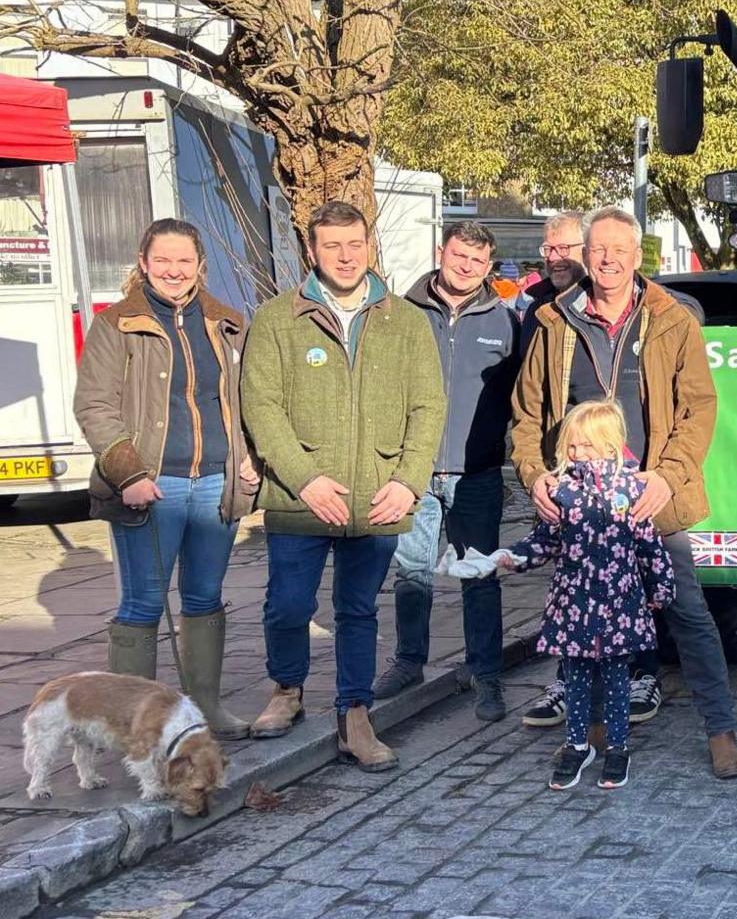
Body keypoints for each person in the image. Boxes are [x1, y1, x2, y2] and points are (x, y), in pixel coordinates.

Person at [511, 206, 737, 778]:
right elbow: (526, 416)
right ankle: (591, 734)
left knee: (688, 615)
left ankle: (721, 731)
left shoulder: (671, 318)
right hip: (582, 505)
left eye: (620, 249)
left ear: (637, 255)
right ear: (584, 257)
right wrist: (536, 476)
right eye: (598, 251)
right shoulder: (552, 322)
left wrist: (665, 476)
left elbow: (699, 408)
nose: (609, 260)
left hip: (652, 499)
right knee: (585, 622)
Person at [242, 201, 446, 772]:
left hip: (377, 497)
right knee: (287, 605)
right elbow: (261, 406)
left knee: (357, 610)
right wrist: (304, 480)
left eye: (354, 244)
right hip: (299, 497)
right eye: (332, 245)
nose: (345, 255)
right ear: (311, 251)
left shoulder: (404, 321)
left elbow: (428, 406)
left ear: (369, 245)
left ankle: (355, 715)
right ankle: (286, 690)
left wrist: (408, 481)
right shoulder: (278, 318)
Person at [72, 218, 260, 740]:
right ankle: (136, 724)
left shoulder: (229, 324)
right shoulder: (116, 325)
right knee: (143, 603)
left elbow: (252, 399)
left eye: (184, 261)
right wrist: (127, 471)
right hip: (151, 486)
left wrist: (254, 457)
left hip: (215, 484)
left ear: (200, 265)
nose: (174, 271)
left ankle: (203, 709)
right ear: (143, 264)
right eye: (163, 261)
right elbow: (94, 406)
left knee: (204, 597)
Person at [447, 400, 674, 791]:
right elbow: (543, 542)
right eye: (571, 446)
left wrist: (662, 586)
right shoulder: (563, 493)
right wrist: (507, 558)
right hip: (575, 604)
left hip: (620, 605)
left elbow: (650, 546)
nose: (577, 453)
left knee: (619, 680)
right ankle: (577, 743)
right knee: (576, 679)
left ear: (610, 445)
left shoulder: (632, 490)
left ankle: (618, 747)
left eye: (586, 445)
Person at [370, 222, 521, 721]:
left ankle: (487, 675)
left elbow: (519, 398)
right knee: (411, 573)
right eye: (459, 256)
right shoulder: (400, 312)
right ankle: (410, 661)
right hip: (411, 471)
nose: (466, 267)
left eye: (478, 262)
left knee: (479, 575)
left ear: (489, 266)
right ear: (442, 252)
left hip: (476, 474)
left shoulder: (507, 322)